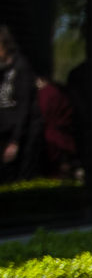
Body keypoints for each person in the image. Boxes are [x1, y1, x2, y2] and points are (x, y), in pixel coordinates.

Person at [0, 26, 42, 182]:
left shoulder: (21, 67)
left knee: (19, 178)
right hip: (6, 133)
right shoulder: (3, 70)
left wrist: (15, 141)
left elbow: (24, 108)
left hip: (21, 136)